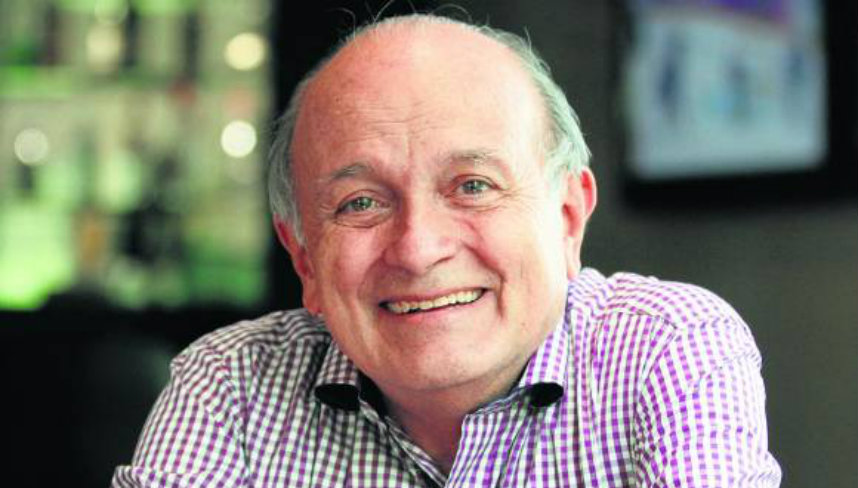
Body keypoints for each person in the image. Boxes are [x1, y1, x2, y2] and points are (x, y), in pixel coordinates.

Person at [112, 13, 781, 487]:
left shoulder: (667, 350)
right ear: (305, 259)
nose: (417, 248)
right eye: (361, 203)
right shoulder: (232, 386)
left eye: (472, 186)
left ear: (567, 219)